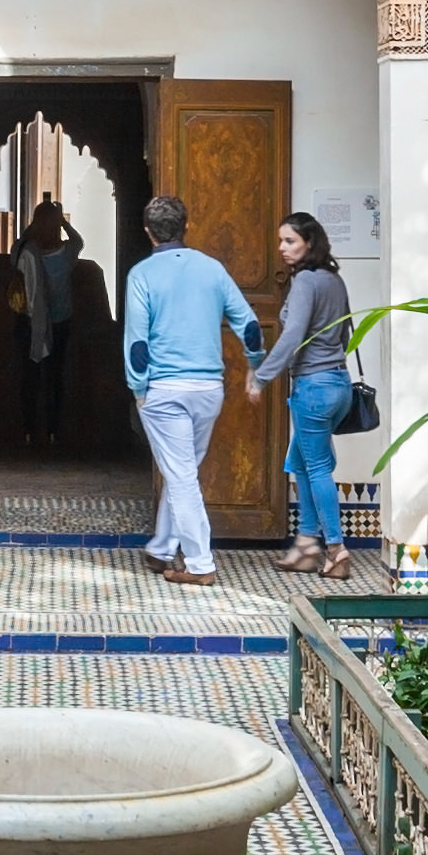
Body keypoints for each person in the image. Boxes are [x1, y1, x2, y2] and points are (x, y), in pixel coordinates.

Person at [117, 193, 256, 582]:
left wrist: (138, 389)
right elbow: (248, 323)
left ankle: (200, 564)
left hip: (164, 390)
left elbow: (137, 342)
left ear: (148, 232)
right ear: (187, 226)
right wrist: (256, 365)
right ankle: (162, 548)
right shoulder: (212, 269)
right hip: (208, 388)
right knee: (182, 470)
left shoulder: (142, 274)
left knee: (180, 476)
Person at [255, 209, 362, 576]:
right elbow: (345, 334)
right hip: (339, 385)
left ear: (309, 243)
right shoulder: (335, 280)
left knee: (316, 468)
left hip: (313, 387)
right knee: (301, 463)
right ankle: (305, 544)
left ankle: (336, 550)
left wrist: (261, 376)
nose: (282, 248)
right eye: (281, 241)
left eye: (290, 241)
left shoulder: (305, 282)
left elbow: (292, 336)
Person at [16, 196, 91, 449]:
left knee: (30, 378)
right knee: (55, 378)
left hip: (32, 323)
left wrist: (33, 227)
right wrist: (62, 221)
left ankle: (28, 431)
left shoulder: (28, 252)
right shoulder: (67, 253)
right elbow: (79, 241)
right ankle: (53, 431)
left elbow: (14, 252)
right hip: (60, 322)